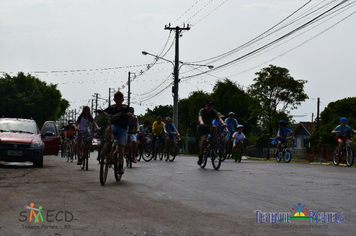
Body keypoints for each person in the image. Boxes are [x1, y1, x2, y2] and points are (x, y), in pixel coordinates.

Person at [95, 91, 133, 175]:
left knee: (120, 145)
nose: (118, 100)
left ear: (122, 100)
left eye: (120, 98)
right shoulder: (112, 108)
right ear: (114, 99)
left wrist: (129, 114)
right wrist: (100, 112)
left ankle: (120, 165)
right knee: (108, 129)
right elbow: (104, 112)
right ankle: (107, 146)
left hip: (123, 129)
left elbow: (131, 112)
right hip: (114, 127)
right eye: (117, 98)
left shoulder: (126, 108)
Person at [197, 100, 226, 165]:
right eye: (208, 106)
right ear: (206, 106)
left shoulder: (214, 112)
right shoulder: (202, 110)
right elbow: (200, 117)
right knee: (204, 140)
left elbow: (219, 118)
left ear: (212, 107)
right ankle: (201, 156)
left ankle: (214, 142)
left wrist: (223, 123)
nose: (209, 107)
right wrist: (201, 122)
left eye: (211, 106)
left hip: (209, 125)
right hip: (202, 126)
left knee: (215, 128)